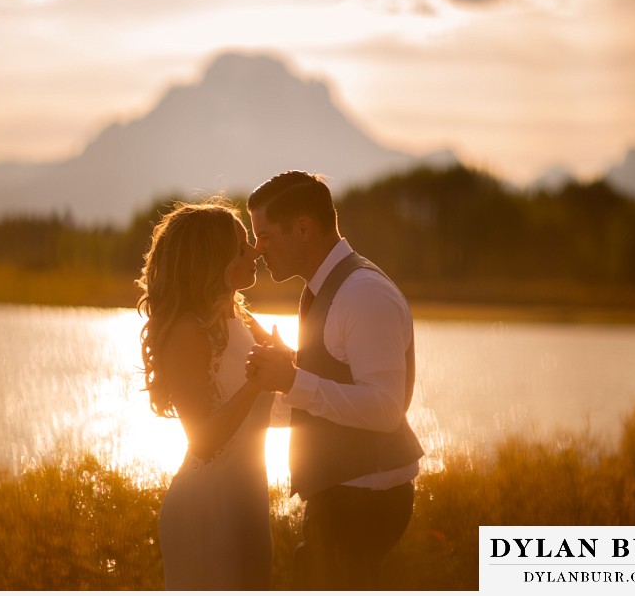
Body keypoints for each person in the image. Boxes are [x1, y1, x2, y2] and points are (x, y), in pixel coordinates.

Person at [244, 171, 424, 590]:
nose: (257, 250)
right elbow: (332, 384)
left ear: (303, 228)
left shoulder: (363, 293)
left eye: (266, 236)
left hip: (364, 500)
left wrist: (291, 379)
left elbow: (384, 409)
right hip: (344, 494)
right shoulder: (326, 288)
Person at [136, 199, 276, 590]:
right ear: (213, 260)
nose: (255, 251)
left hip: (248, 496)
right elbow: (202, 439)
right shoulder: (186, 331)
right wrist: (256, 382)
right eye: (242, 247)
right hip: (206, 505)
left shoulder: (241, 318)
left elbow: (286, 382)